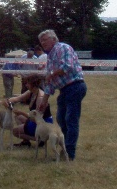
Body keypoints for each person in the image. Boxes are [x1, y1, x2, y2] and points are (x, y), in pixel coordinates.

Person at [37, 29, 87, 161]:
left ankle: (69, 154)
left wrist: (51, 74)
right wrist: (44, 101)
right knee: (60, 119)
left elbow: (67, 67)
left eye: (45, 39)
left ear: (54, 39)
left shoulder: (63, 48)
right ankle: (66, 148)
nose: (42, 43)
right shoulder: (50, 56)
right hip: (64, 90)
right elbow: (50, 83)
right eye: (41, 41)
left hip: (75, 86)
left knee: (71, 119)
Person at [1, 74, 53, 147]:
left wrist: (21, 112)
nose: (26, 85)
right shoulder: (32, 92)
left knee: (15, 131)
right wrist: (7, 101)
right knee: (18, 117)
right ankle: (26, 142)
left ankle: (41, 139)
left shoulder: (40, 97)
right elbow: (18, 98)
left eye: (28, 83)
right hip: (38, 121)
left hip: (43, 123)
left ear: (33, 84)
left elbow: (37, 119)